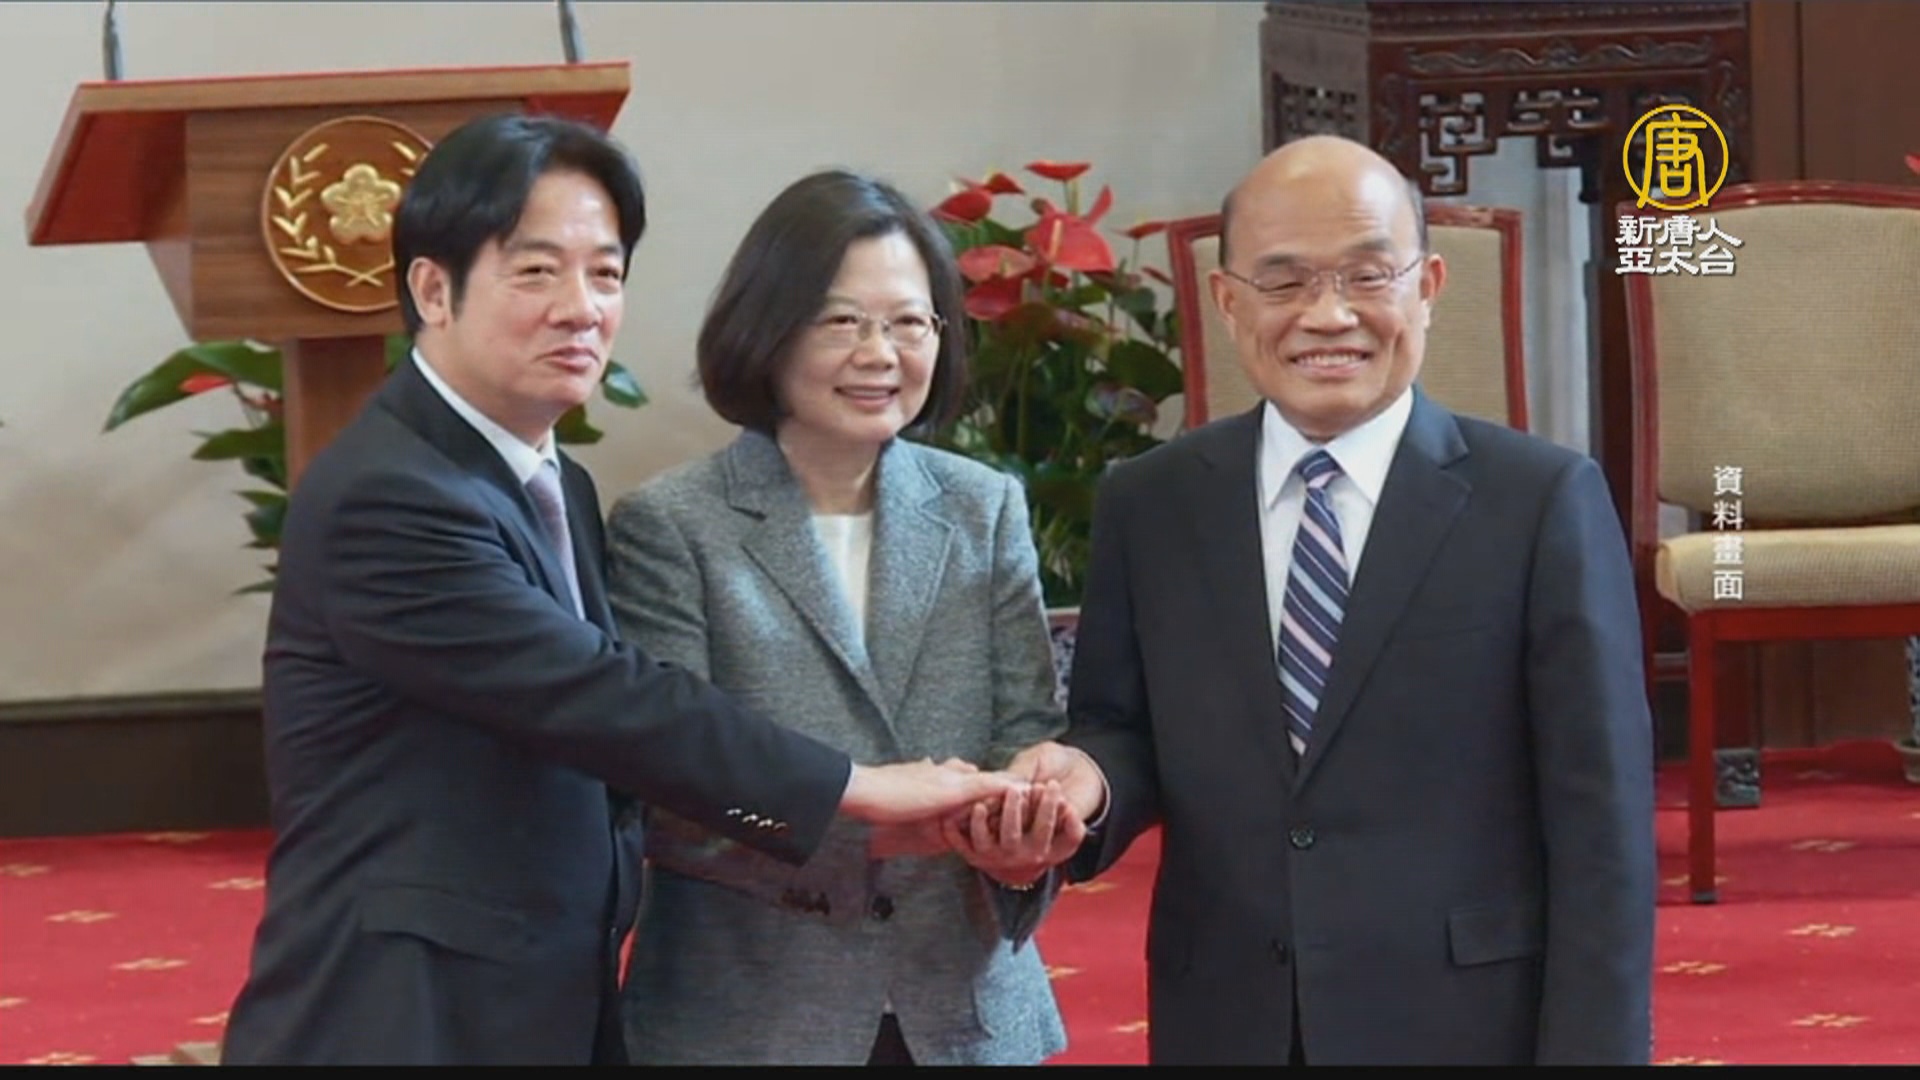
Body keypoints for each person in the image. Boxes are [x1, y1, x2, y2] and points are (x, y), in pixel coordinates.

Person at [219, 116, 1019, 1067]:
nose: (581, 308)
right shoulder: (391, 494)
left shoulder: (552, 481)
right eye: (536, 271)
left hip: (541, 990)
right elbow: (606, 700)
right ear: (433, 290)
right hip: (402, 1010)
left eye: (605, 274)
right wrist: (864, 792)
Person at [992, 135, 1657, 1065]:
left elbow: (1602, 829)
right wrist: (1086, 785)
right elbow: (1121, 726)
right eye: (1284, 281)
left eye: (1367, 275)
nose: (1329, 315)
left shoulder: (1539, 501)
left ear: (1428, 286)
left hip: (1465, 1020)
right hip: (1228, 1014)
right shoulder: (1153, 501)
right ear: (1227, 301)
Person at [605, 169, 1077, 1067]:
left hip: (965, 1014)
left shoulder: (983, 507)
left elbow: (1028, 734)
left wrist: (1021, 838)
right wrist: (867, 822)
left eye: (910, 322)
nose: (879, 354)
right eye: (841, 322)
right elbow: (666, 795)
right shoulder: (672, 525)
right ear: (767, 329)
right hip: (749, 1019)